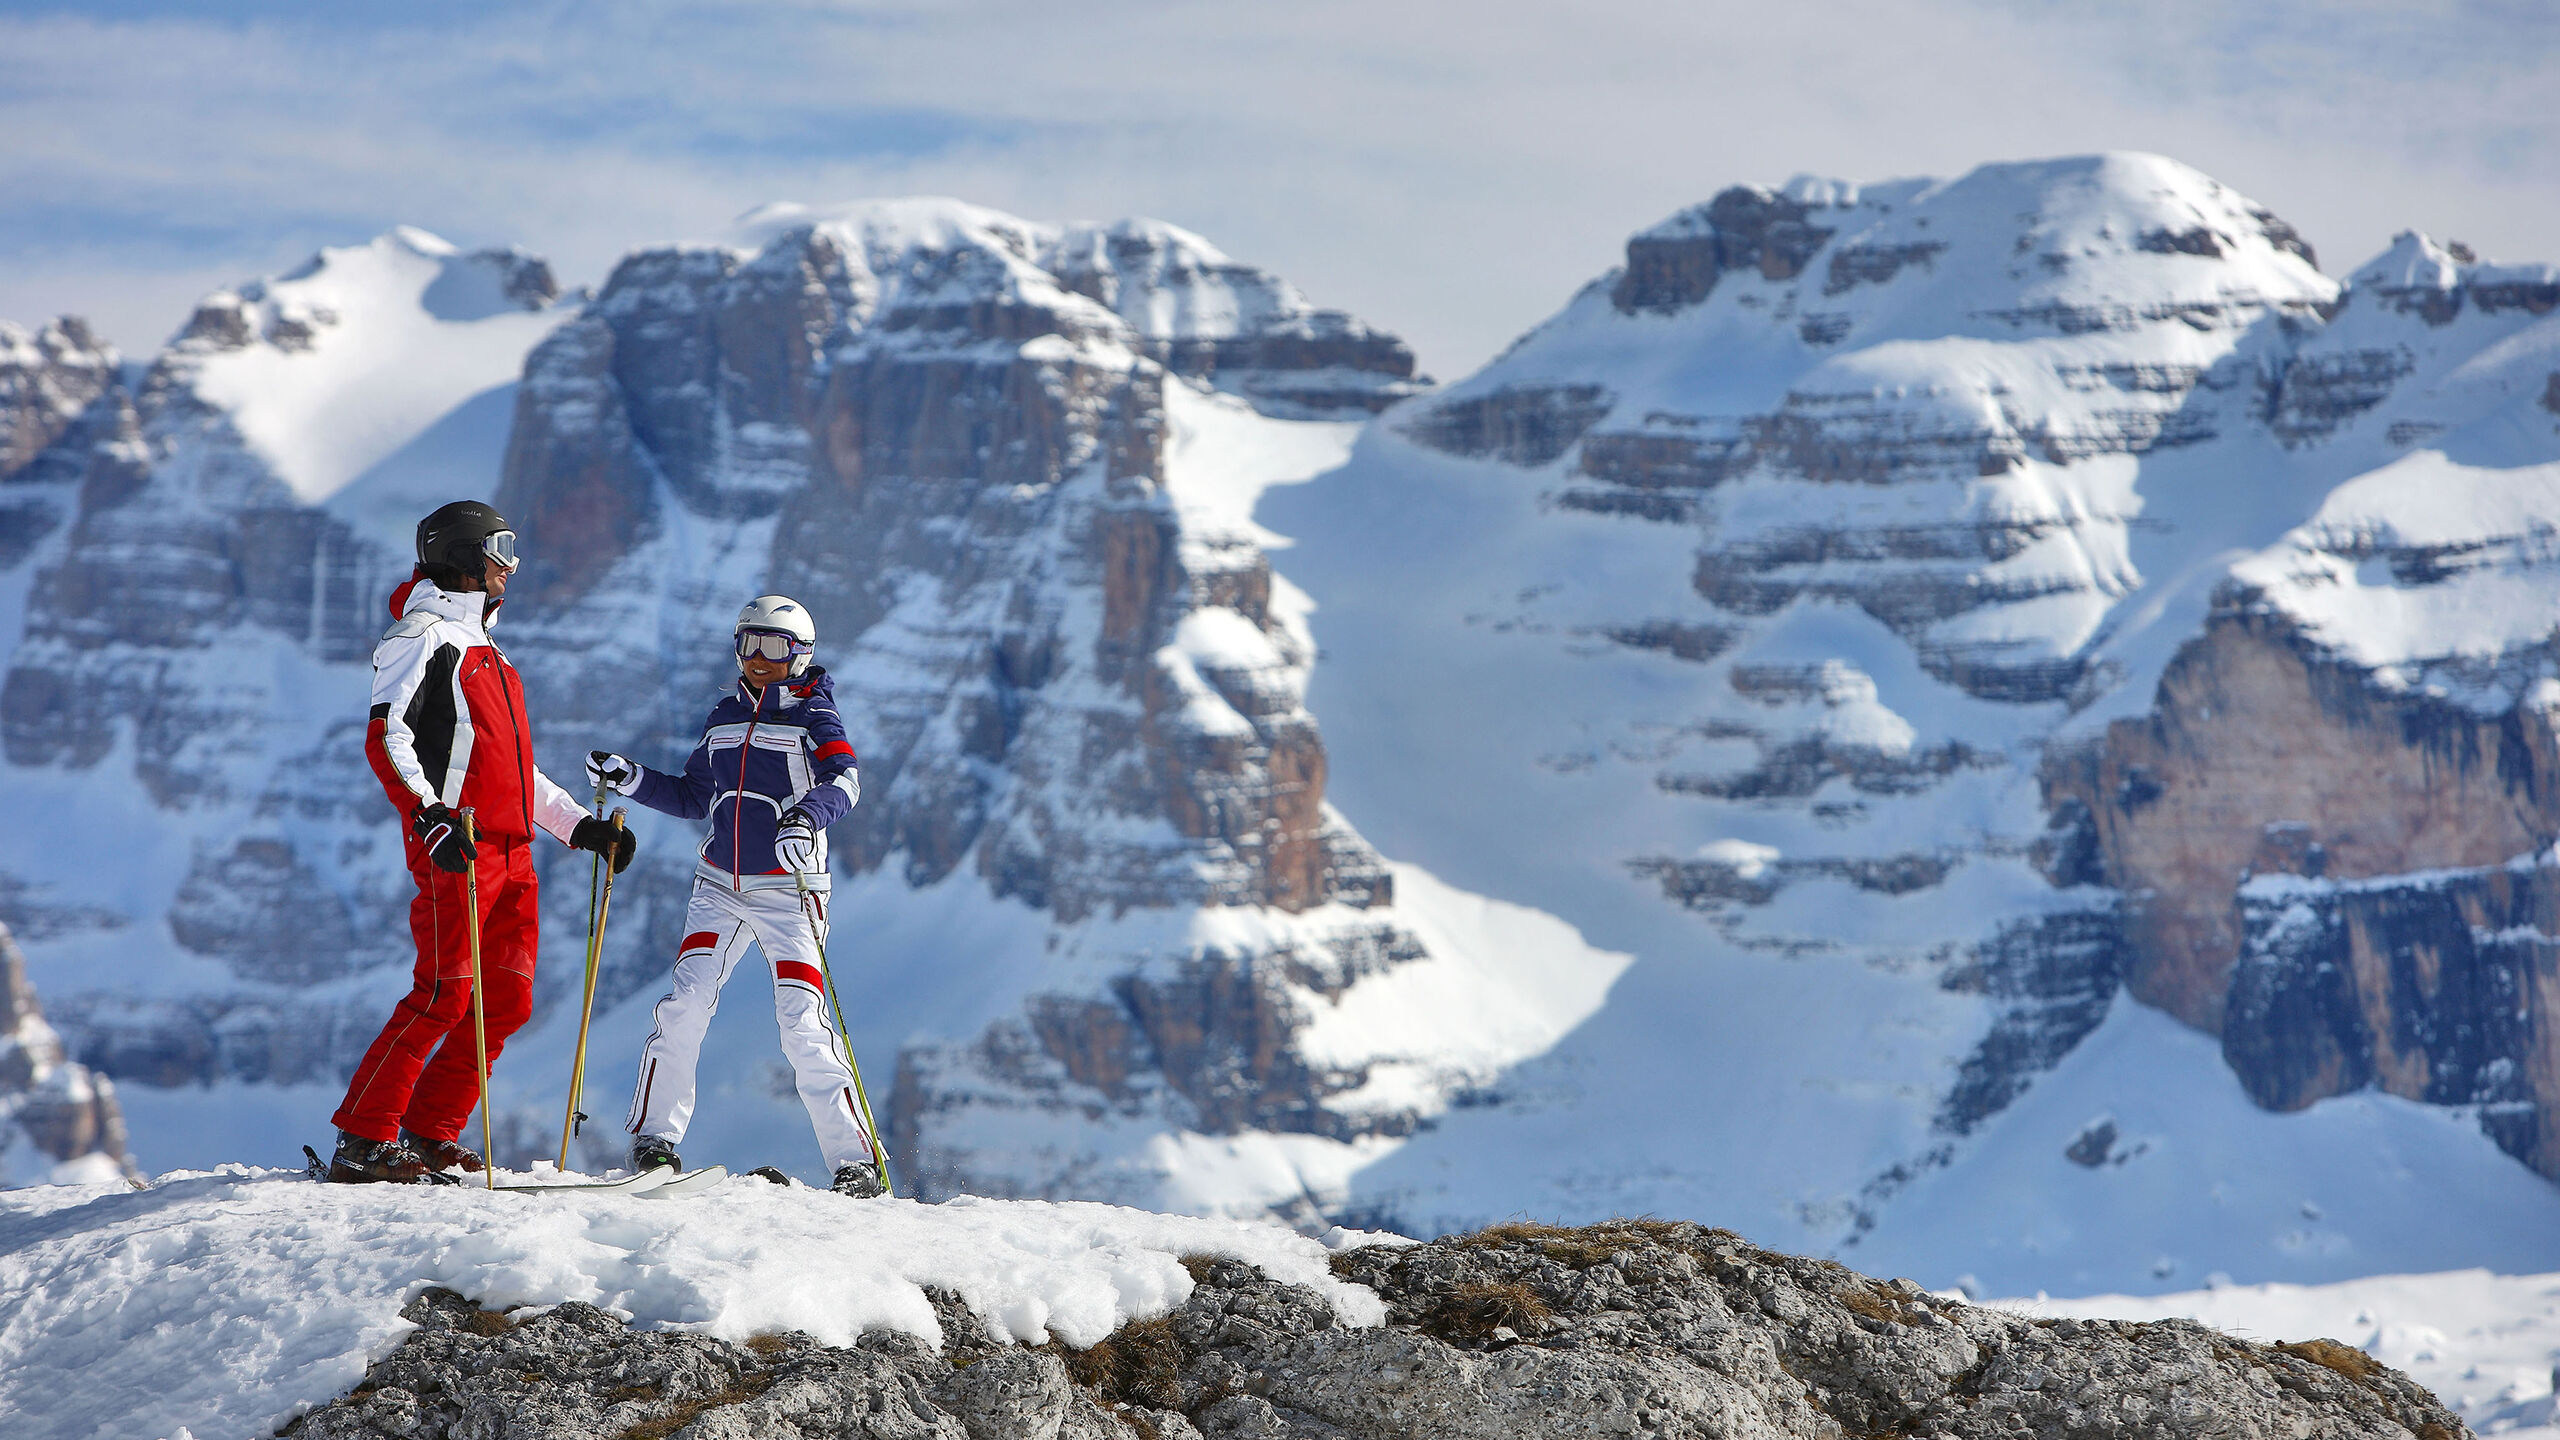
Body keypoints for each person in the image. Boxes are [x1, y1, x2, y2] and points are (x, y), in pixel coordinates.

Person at [325, 501, 637, 1183]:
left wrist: (578, 824)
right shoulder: (422, 636)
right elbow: (388, 737)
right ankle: (363, 1140)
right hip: (459, 845)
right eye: (501, 547)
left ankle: (429, 1132)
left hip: (511, 852)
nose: (511, 563)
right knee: (443, 991)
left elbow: (508, 769)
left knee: (505, 999)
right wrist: (430, 817)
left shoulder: (488, 650)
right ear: (467, 558)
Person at [586, 594, 883, 1197]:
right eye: (748, 643)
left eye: (774, 647)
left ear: (801, 654)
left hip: (789, 890)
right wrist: (632, 778)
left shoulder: (814, 716)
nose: (758, 658)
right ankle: (653, 1142)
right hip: (719, 885)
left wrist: (805, 819)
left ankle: (856, 1165)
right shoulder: (723, 715)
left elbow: (845, 779)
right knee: (684, 1004)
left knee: (801, 1021)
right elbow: (696, 797)